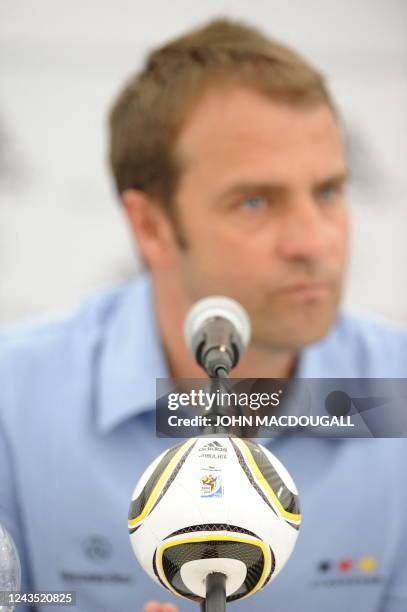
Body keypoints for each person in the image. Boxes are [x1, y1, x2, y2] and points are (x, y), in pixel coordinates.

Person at [1, 17, 407, 612]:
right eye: (254, 202)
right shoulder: (13, 396)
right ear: (151, 226)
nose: (314, 241)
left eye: (328, 191)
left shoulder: (396, 389)